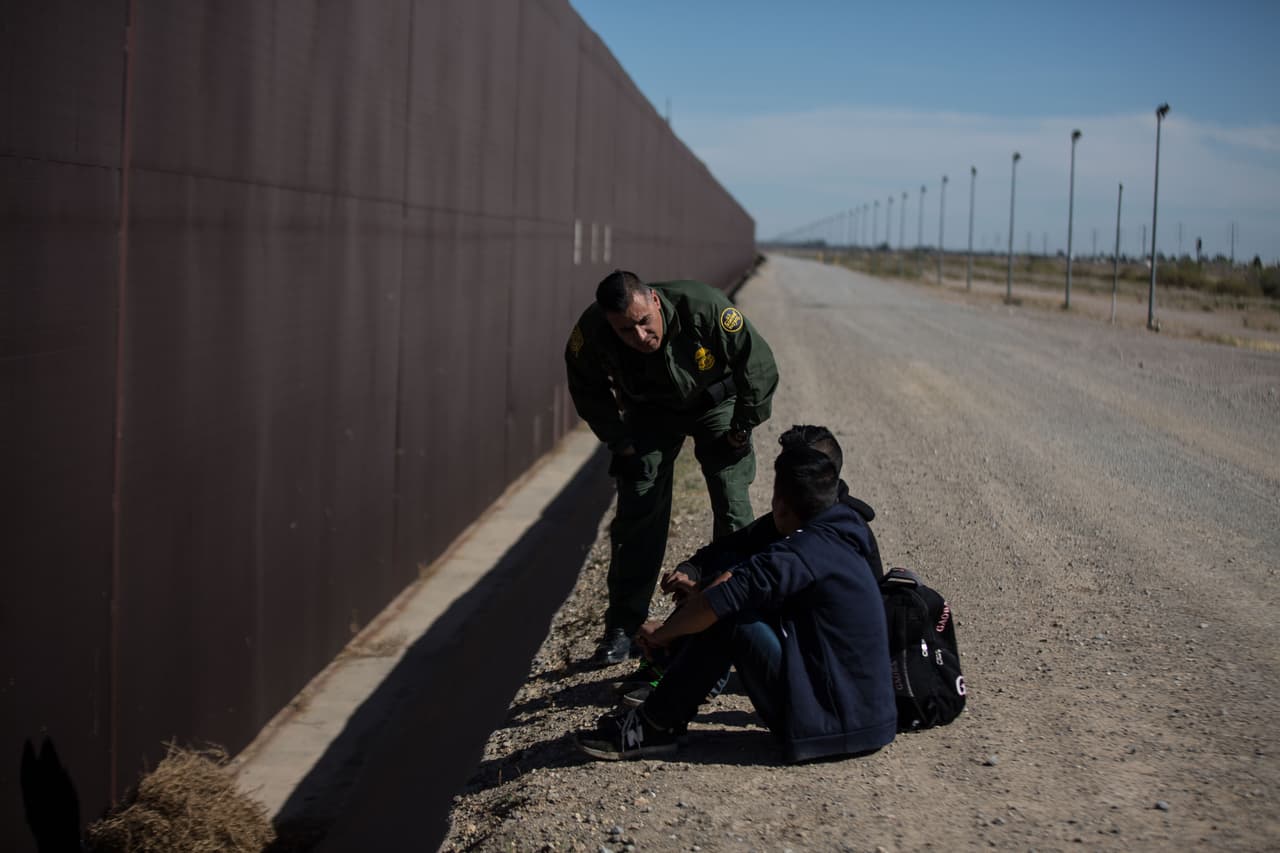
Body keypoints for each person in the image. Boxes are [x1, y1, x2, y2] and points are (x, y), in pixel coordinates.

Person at [576, 444, 897, 763]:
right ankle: (662, 710)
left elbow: (720, 601)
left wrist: (663, 634)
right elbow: (737, 580)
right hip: (870, 721)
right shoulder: (846, 529)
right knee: (732, 607)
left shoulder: (798, 552)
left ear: (781, 506)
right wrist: (698, 596)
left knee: (728, 618)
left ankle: (653, 725)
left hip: (831, 727)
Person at [566, 270, 779, 664]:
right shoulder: (592, 330)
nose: (640, 336)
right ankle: (624, 626)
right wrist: (620, 441)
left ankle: (732, 619)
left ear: (655, 301)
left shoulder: (703, 307)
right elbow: (585, 386)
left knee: (731, 501)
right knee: (639, 502)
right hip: (650, 413)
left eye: (645, 322)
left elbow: (758, 363)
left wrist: (741, 426)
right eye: (626, 331)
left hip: (714, 404)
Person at [613, 424, 883, 703]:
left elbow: (740, 593)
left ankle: (681, 682)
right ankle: (667, 664)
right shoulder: (811, 515)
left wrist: (674, 624)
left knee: (727, 605)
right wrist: (690, 572)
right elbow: (731, 547)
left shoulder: (827, 539)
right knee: (724, 576)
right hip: (816, 656)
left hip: (827, 678)